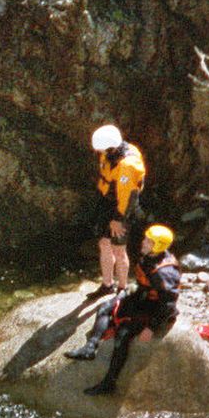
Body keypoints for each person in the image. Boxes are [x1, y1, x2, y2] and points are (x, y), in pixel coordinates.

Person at [66, 224, 179, 395]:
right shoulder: (151, 256)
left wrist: (151, 328)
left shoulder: (164, 273)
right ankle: (90, 347)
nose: (143, 242)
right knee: (105, 308)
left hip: (155, 309)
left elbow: (168, 304)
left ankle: (109, 383)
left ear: (157, 246)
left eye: (148, 241)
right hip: (143, 297)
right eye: (146, 239)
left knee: (123, 334)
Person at [87, 124, 145, 299]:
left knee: (119, 249)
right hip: (109, 202)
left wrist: (119, 219)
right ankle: (107, 284)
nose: (100, 153)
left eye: (101, 150)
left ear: (111, 148)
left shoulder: (128, 164)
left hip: (123, 209)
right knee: (104, 244)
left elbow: (128, 197)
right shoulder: (110, 153)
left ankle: (122, 288)